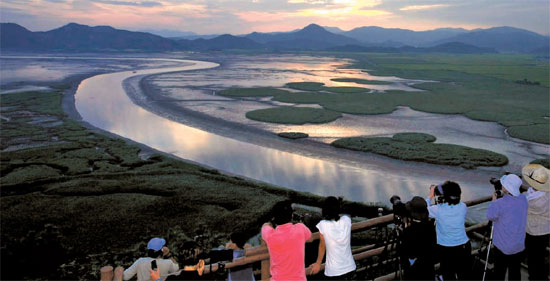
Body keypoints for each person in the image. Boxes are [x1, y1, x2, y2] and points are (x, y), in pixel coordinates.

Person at [427, 181, 471, 280]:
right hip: (464, 247)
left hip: (446, 248)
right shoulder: (463, 207)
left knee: (448, 275)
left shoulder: (437, 210)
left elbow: (422, 209)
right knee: (464, 275)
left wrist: (430, 196)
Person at [487, 174, 528, 280]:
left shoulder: (500, 203)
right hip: (518, 245)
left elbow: (490, 216)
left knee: (499, 272)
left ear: (506, 188)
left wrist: (493, 201)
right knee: (515, 272)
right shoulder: (523, 199)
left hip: (502, 246)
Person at [261, 201, 312, 281]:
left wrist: (271, 221)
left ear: (275, 218)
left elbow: (265, 226)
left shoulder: (270, 234)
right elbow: (310, 237)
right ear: (291, 216)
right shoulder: (300, 228)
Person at [308, 196, 356, 280]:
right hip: (350, 267)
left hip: (334, 271)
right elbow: (344, 217)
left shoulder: (323, 224)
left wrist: (318, 264)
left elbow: (322, 246)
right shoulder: (346, 220)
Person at [522, 164, 550, 280]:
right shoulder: (547, 193)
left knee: (533, 260)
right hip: (545, 230)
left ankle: (534, 278)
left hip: (533, 232)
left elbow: (523, 204)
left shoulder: (535, 201)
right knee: (540, 258)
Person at [401, 196, 436, 280]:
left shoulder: (410, 231)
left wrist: (405, 228)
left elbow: (406, 253)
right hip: (428, 270)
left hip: (414, 273)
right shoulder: (431, 226)